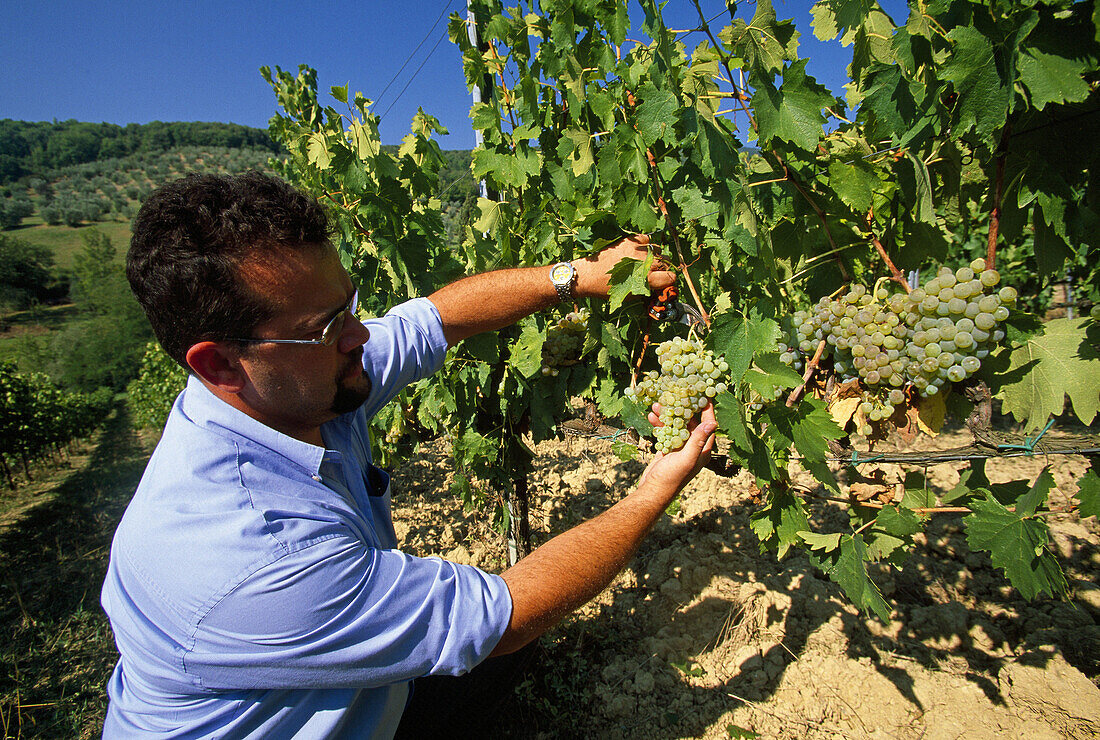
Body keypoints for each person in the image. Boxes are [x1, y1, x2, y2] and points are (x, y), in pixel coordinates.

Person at [101, 171, 716, 738]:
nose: (359, 335)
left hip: (350, 697)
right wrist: (655, 487)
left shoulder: (288, 391)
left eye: (351, 305)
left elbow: (432, 321)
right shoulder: (254, 559)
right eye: (326, 326)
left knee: (497, 652)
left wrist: (576, 277)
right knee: (506, 631)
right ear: (220, 363)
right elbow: (498, 617)